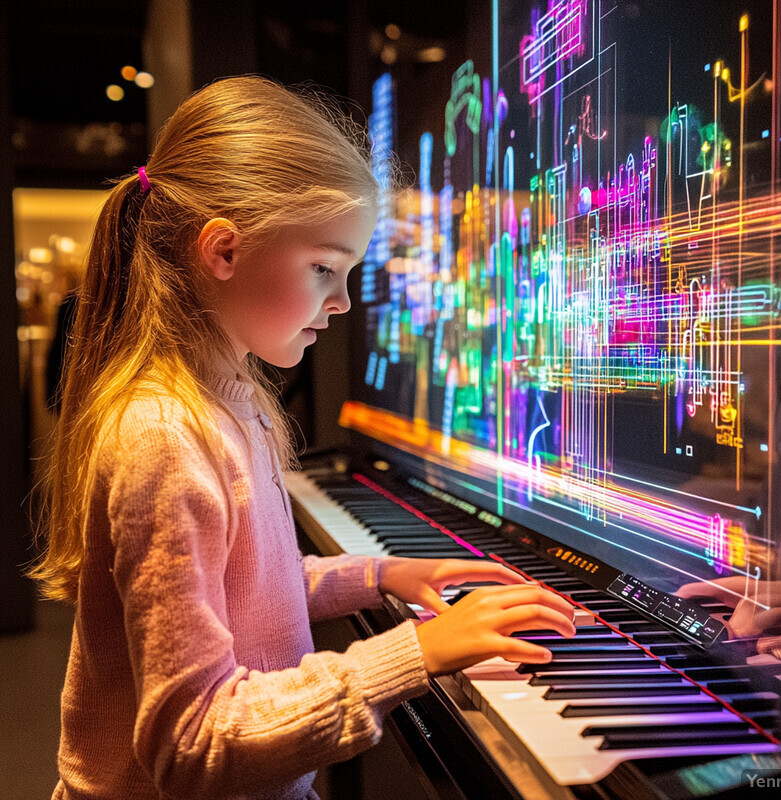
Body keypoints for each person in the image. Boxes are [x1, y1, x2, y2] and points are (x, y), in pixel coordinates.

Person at [28, 76, 576, 800]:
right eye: (325, 267)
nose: (344, 301)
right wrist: (415, 651)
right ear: (222, 250)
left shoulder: (231, 400)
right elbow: (192, 745)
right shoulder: (163, 438)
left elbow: (252, 584)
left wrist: (381, 577)